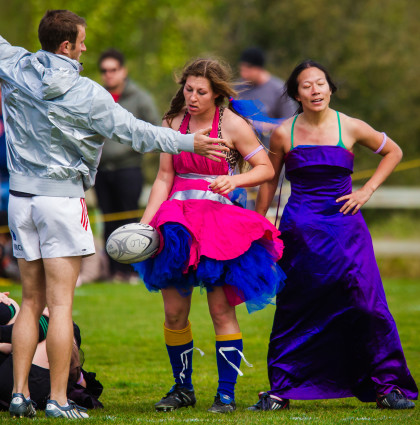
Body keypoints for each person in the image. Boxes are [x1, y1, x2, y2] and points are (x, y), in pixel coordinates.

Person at [0, 9, 230, 420]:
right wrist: (189, 142)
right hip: (61, 201)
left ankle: (18, 396)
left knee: (30, 300)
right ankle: (57, 400)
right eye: (82, 40)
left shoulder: (13, 63)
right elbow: (138, 133)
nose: (86, 47)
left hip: (19, 200)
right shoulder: (88, 93)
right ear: (67, 45)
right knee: (61, 304)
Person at [252, 60, 418, 411]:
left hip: (347, 230)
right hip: (301, 230)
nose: (315, 89)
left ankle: (386, 385)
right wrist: (257, 222)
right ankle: (282, 388)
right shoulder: (284, 132)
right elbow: (268, 179)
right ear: (296, 93)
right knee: (297, 307)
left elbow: (394, 151)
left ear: (330, 88)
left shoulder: (351, 126)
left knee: (367, 304)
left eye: (320, 83)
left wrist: (366, 191)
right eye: (306, 85)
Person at [132, 58, 286, 414]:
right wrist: (144, 224)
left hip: (219, 224)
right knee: (173, 313)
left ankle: (226, 395)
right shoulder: (172, 123)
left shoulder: (232, 124)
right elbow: (163, 179)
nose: (193, 97)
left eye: (201, 91)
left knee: (220, 310)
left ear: (217, 93)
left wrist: (235, 180)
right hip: (176, 225)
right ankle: (182, 388)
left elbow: (264, 168)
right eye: (188, 89)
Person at [96, 49, 160, 283]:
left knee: (130, 221)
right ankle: (114, 272)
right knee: (107, 220)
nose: (109, 75)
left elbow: (155, 130)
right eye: (104, 70)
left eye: (113, 70)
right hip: (102, 171)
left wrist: (132, 148)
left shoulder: (139, 97)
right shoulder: (96, 96)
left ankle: (134, 271)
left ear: (123, 71)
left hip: (129, 169)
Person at [0, 293, 103, 416]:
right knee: (59, 321)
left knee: (42, 318)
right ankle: (64, 394)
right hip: (16, 383)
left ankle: (76, 381)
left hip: (13, 377)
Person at [237, 47, 296, 148]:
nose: (243, 75)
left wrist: (259, 125)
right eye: (242, 70)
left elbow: (291, 123)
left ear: (259, 69)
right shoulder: (238, 87)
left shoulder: (279, 89)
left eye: (247, 71)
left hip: (269, 149)